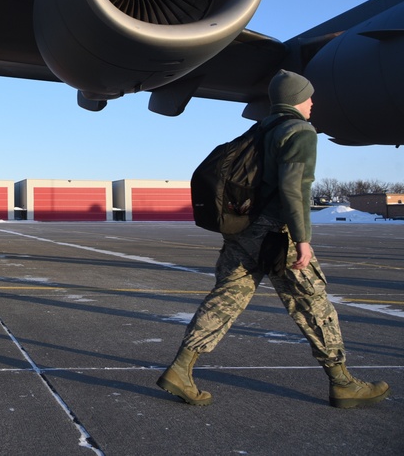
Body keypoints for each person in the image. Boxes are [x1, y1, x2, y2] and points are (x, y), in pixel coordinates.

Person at [157, 69, 391, 408]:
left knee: (226, 298)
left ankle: (181, 369)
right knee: (312, 302)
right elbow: (294, 189)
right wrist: (303, 239)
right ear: (296, 99)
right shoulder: (299, 131)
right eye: (309, 96)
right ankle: (342, 383)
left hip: (243, 232)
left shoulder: (262, 127)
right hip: (275, 235)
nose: (313, 102)